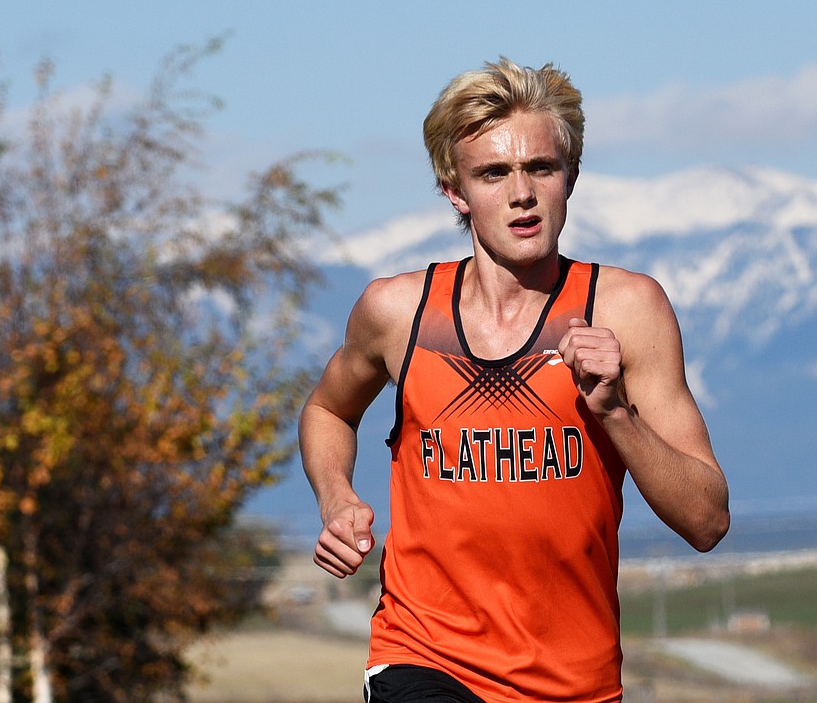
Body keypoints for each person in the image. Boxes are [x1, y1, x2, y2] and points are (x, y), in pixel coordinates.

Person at [300, 57, 730, 703]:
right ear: (456, 190)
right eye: (493, 173)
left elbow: (707, 519)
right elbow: (327, 411)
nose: (520, 192)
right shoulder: (399, 312)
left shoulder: (625, 309)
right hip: (422, 657)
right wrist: (337, 498)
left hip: (572, 682)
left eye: (540, 168)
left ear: (571, 176)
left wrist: (616, 413)